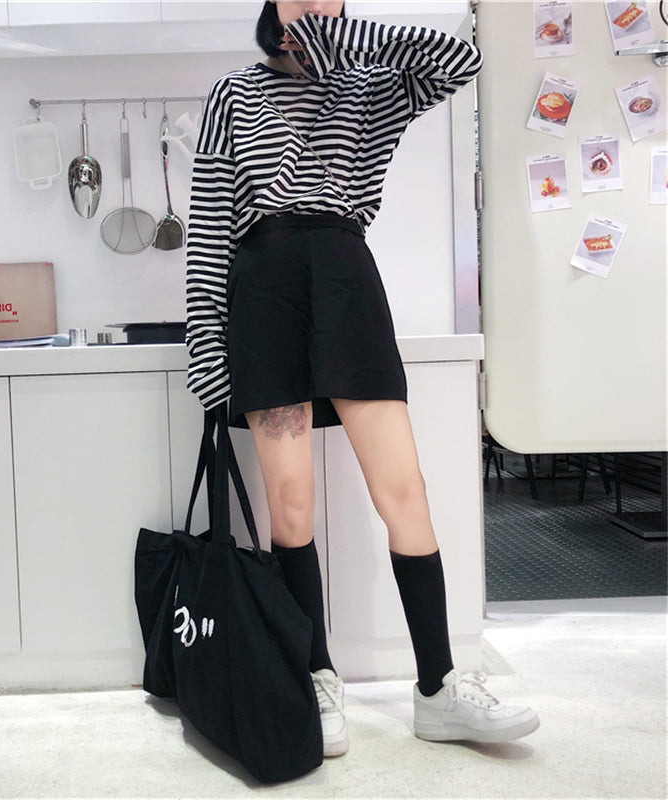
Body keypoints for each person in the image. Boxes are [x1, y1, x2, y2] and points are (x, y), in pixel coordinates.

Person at [185, 0, 539, 758]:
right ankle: (314, 676)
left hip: (346, 279)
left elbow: (464, 61)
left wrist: (341, 42)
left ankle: (440, 689)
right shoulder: (233, 94)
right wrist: (206, 346)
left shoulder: (374, 82)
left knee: (403, 490)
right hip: (264, 290)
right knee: (290, 502)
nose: (315, 3)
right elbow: (211, 224)